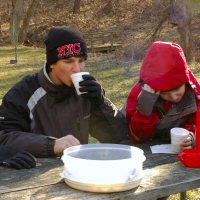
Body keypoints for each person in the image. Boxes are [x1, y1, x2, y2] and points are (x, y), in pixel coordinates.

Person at [0, 26, 128, 158]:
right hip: (32, 174)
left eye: (81, 61)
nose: (77, 69)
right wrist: (51, 145)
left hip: (76, 170)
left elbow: (118, 137)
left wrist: (101, 102)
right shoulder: (23, 93)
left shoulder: (88, 90)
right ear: (52, 64)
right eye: (68, 61)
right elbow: (4, 137)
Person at [126, 41, 200, 150]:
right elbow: (137, 138)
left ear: (185, 81)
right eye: (165, 93)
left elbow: (197, 122)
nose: (174, 97)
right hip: (146, 150)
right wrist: (143, 111)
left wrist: (191, 135)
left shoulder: (194, 91)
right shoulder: (140, 94)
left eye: (177, 89)